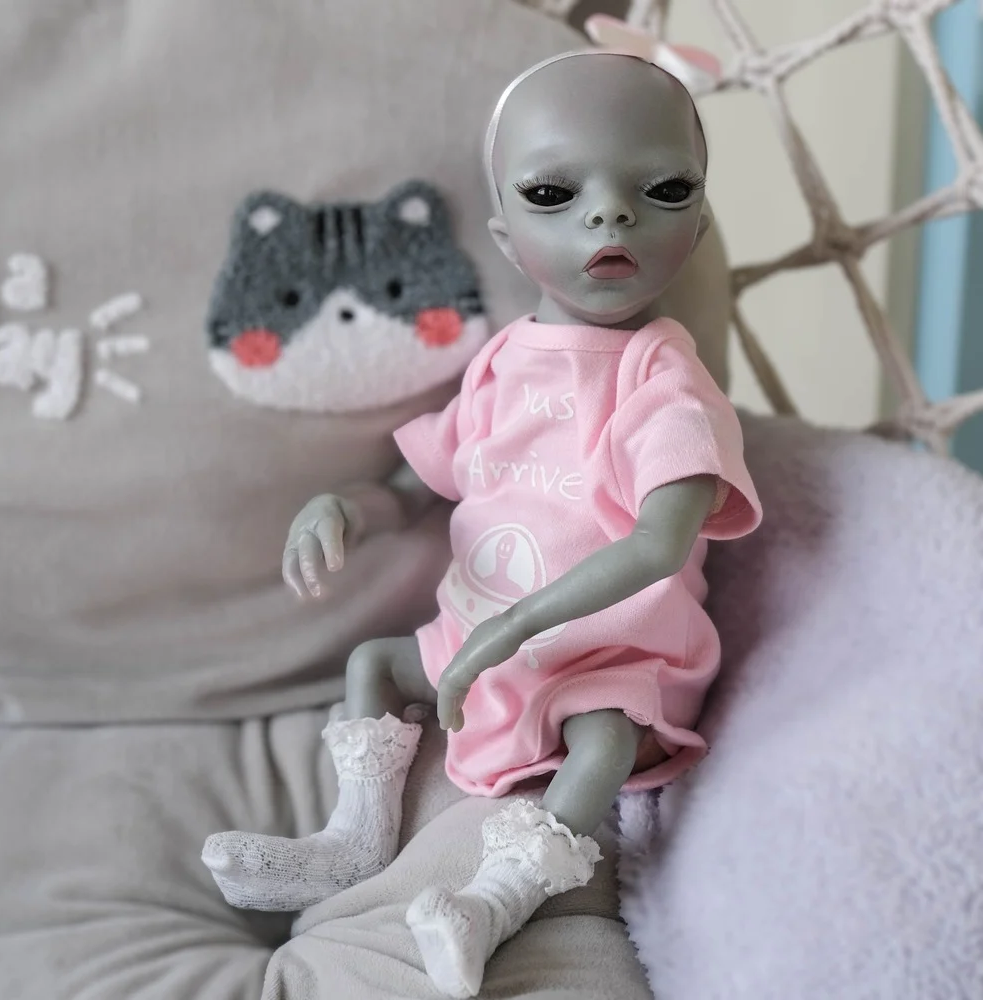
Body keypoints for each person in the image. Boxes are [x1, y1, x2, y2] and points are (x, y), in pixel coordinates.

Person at [203, 49, 762, 999]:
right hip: (477, 636)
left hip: (605, 652)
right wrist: (346, 507)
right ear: (506, 237)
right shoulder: (503, 362)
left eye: (662, 190)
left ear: (698, 222)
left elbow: (660, 543)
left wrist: (516, 627)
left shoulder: (662, 382)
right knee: (375, 665)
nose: (610, 216)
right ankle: (353, 842)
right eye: (554, 193)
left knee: (603, 741)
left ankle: (497, 898)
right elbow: (425, 481)